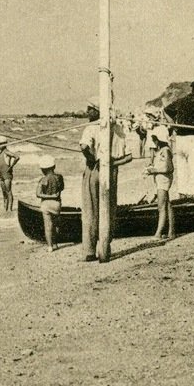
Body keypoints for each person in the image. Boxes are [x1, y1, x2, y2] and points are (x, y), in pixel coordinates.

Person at [78, 97, 132, 262]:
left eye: (90, 109)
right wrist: (112, 163)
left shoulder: (92, 128)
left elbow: (84, 147)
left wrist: (92, 159)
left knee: (90, 210)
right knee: (109, 208)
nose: (88, 112)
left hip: (95, 170)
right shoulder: (119, 129)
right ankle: (105, 246)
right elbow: (129, 156)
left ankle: (90, 251)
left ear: (98, 111)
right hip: (112, 172)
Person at [163, 78, 194, 199]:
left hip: (180, 139)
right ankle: (193, 198)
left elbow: (166, 111)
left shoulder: (181, 101)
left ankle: (182, 197)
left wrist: (173, 126)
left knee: (182, 172)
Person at [145, 126, 175, 239]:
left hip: (163, 180)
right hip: (161, 179)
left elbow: (169, 168)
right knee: (167, 205)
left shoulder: (165, 151)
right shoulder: (162, 151)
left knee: (161, 207)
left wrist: (154, 170)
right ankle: (171, 231)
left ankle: (158, 233)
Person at [35, 156, 64, 252]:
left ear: (43, 169)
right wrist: (54, 196)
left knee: (48, 226)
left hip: (46, 204)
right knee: (56, 225)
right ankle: (55, 244)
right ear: (54, 166)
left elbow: (38, 194)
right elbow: (61, 190)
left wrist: (49, 196)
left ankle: (50, 246)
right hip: (56, 204)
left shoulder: (43, 180)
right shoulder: (59, 177)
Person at [0, 136, 20, 212]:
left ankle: (10, 209)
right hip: (1, 175)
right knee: (4, 193)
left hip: (7, 174)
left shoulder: (6, 151)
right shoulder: (1, 153)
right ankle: (5, 209)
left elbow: (17, 157)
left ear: (4, 144)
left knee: (8, 191)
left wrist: (11, 166)